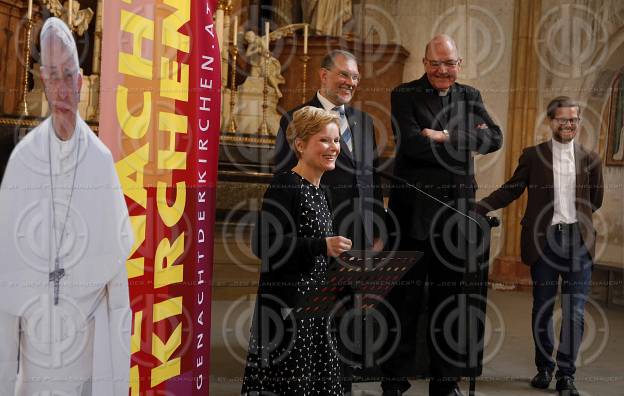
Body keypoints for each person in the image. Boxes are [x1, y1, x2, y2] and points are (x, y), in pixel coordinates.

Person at [0, 18, 133, 395]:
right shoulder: (24, 160)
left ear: (80, 84)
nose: (61, 87)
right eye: (53, 76)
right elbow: (6, 278)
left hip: (86, 346)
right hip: (36, 347)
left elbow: (116, 273)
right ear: (44, 80)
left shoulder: (100, 160)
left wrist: (117, 370)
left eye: (68, 75)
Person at [381, 35, 503, 396]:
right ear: (424, 62)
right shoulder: (404, 94)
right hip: (412, 215)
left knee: (450, 301)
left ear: (459, 64)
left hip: (456, 219)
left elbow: (494, 138)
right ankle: (394, 377)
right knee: (403, 301)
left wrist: (444, 135)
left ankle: (444, 379)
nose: (443, 71)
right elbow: (410, 144)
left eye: (450, 64)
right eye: (436, 64)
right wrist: (463, 139)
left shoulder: (471, 96)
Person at [475, 97, 603, 396]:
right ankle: (544, 368)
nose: (568, 124)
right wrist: (481, 207)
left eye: (573, 119)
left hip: (578, 242)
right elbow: (513, 188)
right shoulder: (533, 156)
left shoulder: (591, 159)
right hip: (544, 241)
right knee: (542, 308)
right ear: (551, 121)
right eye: (562, 119)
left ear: (578, 121)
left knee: (575, 311)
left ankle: (566, 375)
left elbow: (595, 200)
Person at [241, 106, 352, 394]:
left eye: (336, 140)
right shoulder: (285, 185)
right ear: (300, 145)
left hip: (316, 309)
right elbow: (263, 244)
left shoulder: (322, 191)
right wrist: (321, 245)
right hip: (288, 311)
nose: (333, 148)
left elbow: (318, 255)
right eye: (324, 140)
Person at [274, 49, 384, 252]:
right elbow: (285, 178)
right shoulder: (294, 119)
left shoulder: (365, 121)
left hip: (363, 236)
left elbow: (373, 179)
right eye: (343, 74)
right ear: (324, 75)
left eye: (355, 77)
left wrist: (378, 232)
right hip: (322, 235)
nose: (350, 82)